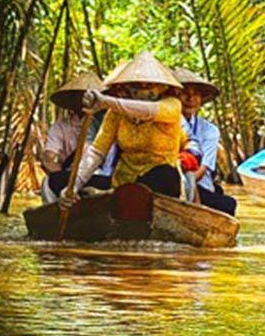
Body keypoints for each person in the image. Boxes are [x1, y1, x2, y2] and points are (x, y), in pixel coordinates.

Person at [67, 54, 189, 200]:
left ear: (163, 87)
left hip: (161, 183)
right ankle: (114, 196)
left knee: (165, 175)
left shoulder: (172, 105)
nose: (143, 88)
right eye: (137, 84)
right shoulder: (115, 113)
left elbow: (148, 111)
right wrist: (74, 185)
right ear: (126, 87)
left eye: (150, 84)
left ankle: (115, 197)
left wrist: (106, 102)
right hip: (122, 182)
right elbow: (97, 151)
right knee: (58, 180)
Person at [174, 68, 238, 215]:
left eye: (195, 94)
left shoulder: (209, 130)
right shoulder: (164, 123)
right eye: (185, 93)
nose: (190, 99)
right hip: (170, 180)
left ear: (201, 99)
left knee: (229, 205)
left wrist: (185, 183)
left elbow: (202, 170)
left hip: (198, 185)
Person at [39, 72, 109, 201]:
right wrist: (64, 181)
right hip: (68, 176)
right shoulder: (61, 126)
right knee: (48, 183)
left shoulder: (108, 121)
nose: (86, 100)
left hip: (99, 176)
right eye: (83, 96)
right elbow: (49, 158)